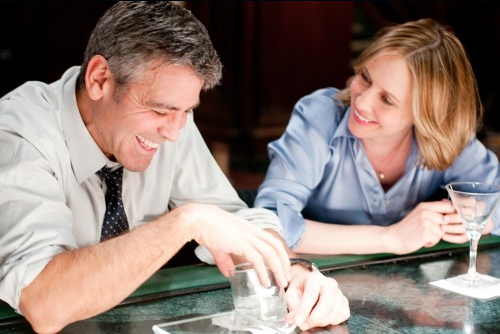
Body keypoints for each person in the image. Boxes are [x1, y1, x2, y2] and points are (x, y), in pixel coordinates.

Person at [0, 2, 349, 333]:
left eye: (186, 111)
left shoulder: (171, 119)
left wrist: (291, 272)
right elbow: (44, 305)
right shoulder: (18, 134)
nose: (174, 132)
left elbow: (232, 220)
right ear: (99, 79)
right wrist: (184, 222)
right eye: (160, 110)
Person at [255, 18, 500, 255]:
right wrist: (392, 237)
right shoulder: (320, 115)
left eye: (387, 100)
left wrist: (482, 218)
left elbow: (494, 199)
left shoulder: (446, 136)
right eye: (365, 78)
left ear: (426, 116)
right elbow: (269, 223)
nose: (361, 101)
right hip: (315, 279)